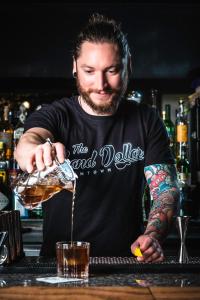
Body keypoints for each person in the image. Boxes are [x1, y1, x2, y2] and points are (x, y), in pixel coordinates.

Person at [15, 13, 179, 262]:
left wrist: (152, 235)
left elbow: (166, 191)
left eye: (111, 70)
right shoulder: (56, 115)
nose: (100, 84)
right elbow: (29, 141)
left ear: (128, 65)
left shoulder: (146, 120)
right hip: (59, 266)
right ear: (74, 66)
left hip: (127, 264)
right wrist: (35, 152)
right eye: (89, 71)